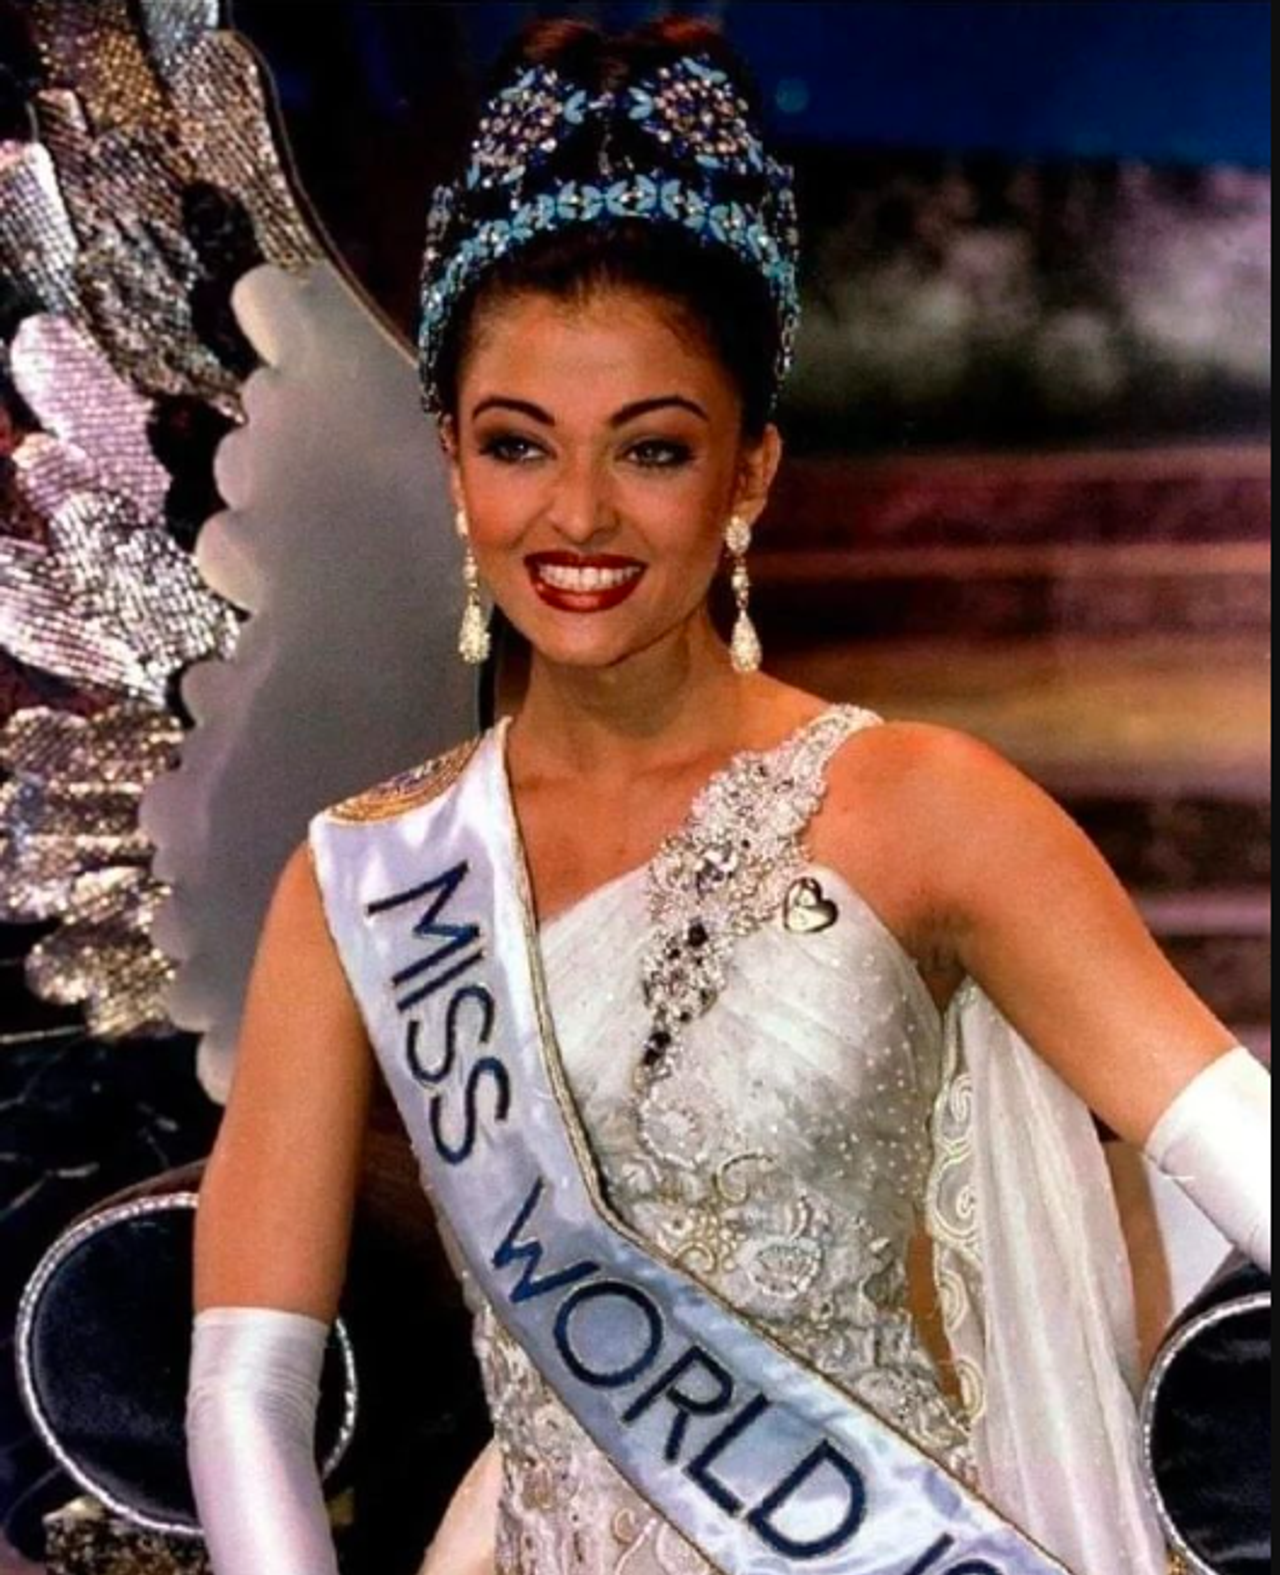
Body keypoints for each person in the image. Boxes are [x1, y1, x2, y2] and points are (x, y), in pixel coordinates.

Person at [184, 16, 1271, 1575]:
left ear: (749, 471)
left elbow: (1244, 1154)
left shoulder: (927, 809)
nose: (577, 514)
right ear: (452, 463)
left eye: (652, 450)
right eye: (518, 444)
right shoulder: (365, 878)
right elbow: (245, 1388)